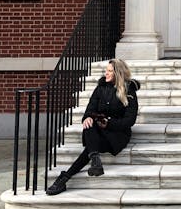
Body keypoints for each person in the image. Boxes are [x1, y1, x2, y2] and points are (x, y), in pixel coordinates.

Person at [46, 58, 140, 196]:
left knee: (90, 147)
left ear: (118, 73)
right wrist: (88, 117)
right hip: (97, 130)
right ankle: (94, 160)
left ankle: (65, 177)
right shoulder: (100, 88)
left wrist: (109, 122)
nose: (105, 74)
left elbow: (129, 121)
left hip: (117, 134)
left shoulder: (129, 91)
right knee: (90, 123)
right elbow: (89, 110)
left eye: (109, 71)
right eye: (106, 71)